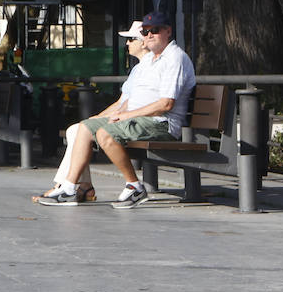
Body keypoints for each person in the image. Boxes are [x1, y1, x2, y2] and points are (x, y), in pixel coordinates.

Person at [41, 11, 196, 209]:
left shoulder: (174, 58)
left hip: (162, 123)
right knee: (85, 127)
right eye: (145, 31)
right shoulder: (152, 60)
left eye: (154, 31)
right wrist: (117, 114)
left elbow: (165, 105)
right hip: (142, 119)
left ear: (168, 31)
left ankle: (134, 186)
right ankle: (70, 188)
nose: (148, 35)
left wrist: (125, 115)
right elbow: (129, 100)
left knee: (105, 134)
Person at [33, 19, 151, 204]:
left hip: (136, 122)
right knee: (79, 129)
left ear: (143, 43)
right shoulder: (137, 69)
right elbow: (122, 101)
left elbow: (132, 105)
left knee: (79, 130)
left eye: (131, 39)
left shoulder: (150, 67)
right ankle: (82, 185)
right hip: (126, 119)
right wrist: (98, 117)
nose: (127, 43)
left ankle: (67, 186)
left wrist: (106, 118)